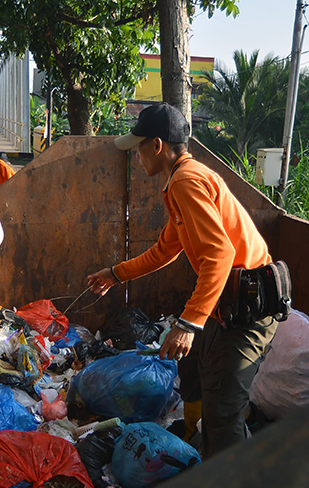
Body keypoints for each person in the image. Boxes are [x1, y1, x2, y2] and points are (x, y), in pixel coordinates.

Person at [86, 102, 279, 459]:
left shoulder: (187, 182)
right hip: (225, 306)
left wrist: (188, 323)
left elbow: (219, 255)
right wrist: (115, 274)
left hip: (248, 310)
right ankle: (198, 447)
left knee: (223, 415)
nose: (137, 156)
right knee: (195, 374)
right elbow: (164, 250)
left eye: (138, 147)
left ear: (156, 146)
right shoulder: (182, 179)